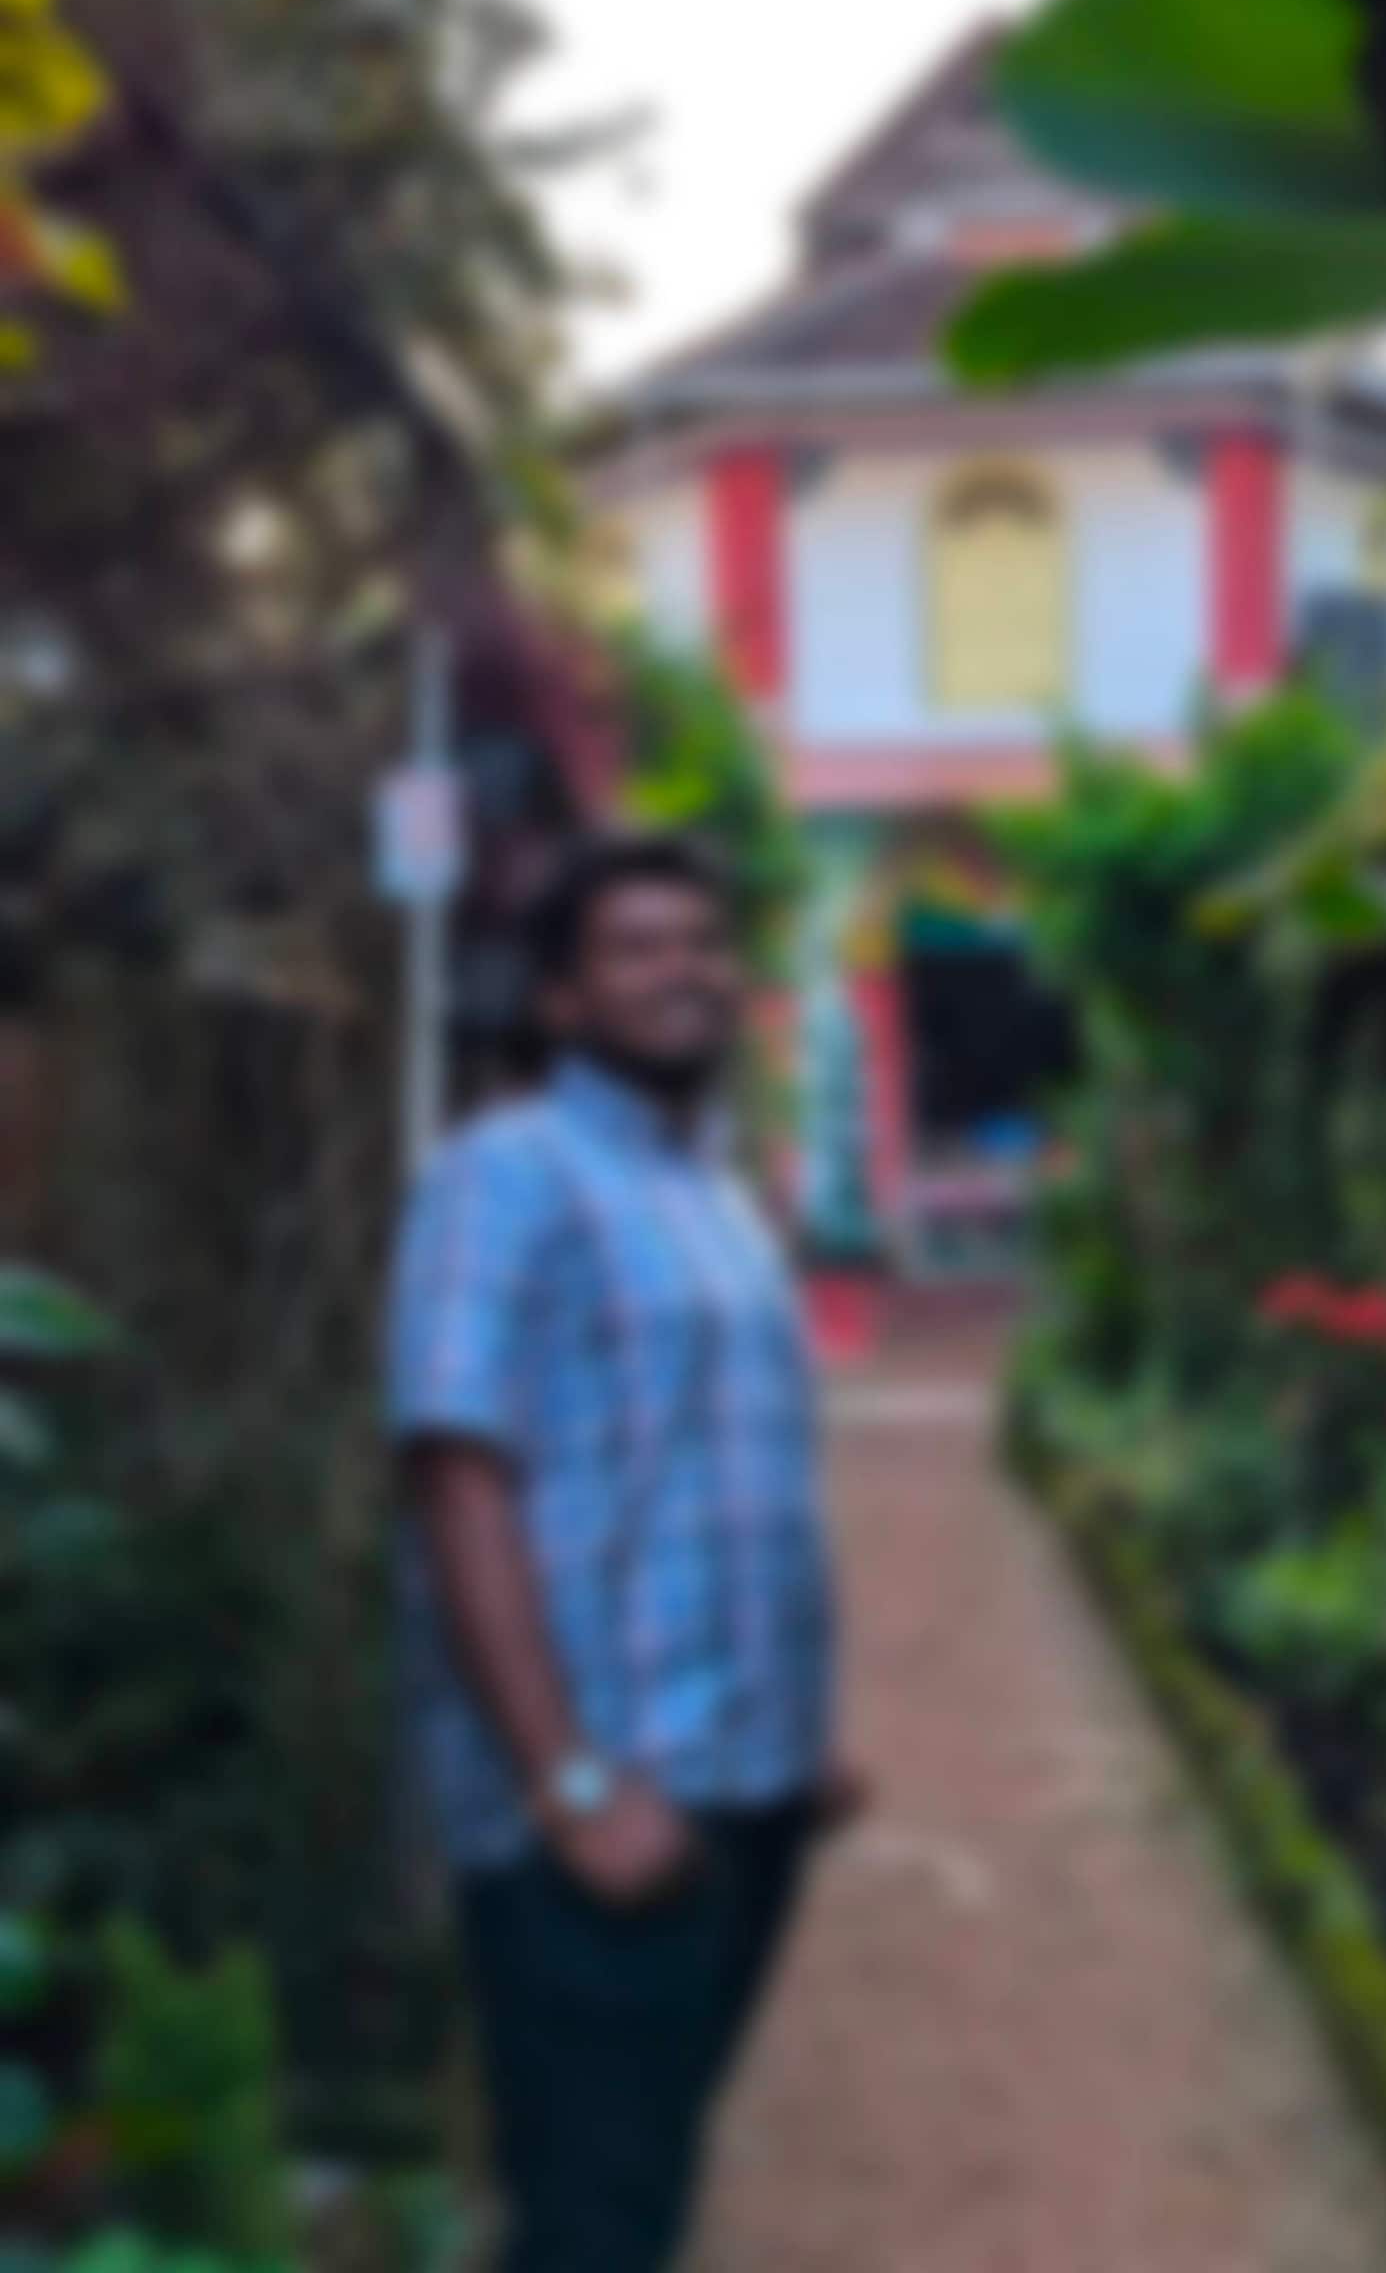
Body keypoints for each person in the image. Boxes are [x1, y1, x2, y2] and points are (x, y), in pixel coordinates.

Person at [387, 831, 863, 2273]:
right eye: (637, 948)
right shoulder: (504, 1176)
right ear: (561, 999)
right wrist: (571, 1784)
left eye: (703, 943)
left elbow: (732, 1480)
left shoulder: (717, 1200)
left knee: (637, 2181)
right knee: (594, 2221)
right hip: (600, 1805)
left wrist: (802, 1740)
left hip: (744, 1793)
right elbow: (457, 1478)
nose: (683, 971)